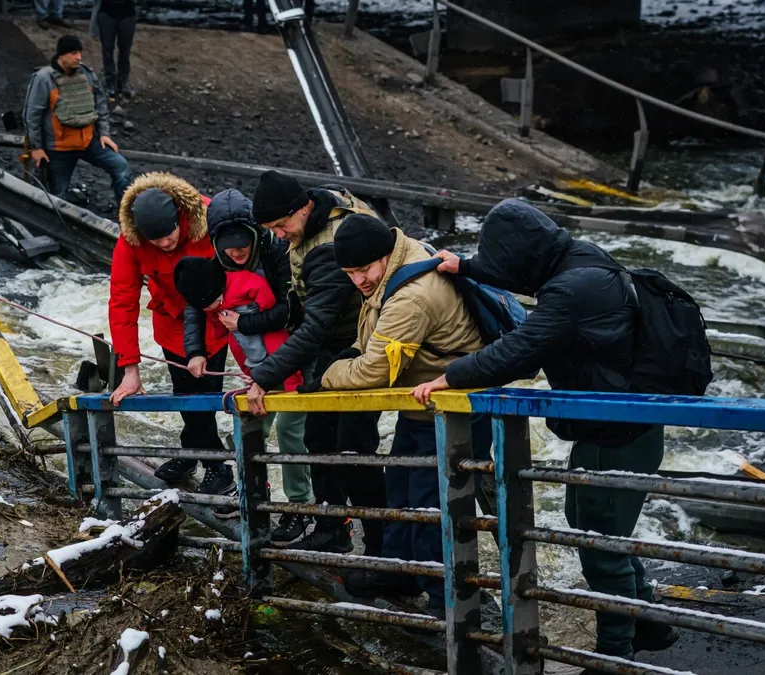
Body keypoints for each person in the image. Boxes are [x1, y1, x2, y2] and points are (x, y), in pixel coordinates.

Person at [412, 199, 680, 668]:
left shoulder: (572, 289)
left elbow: (521, 350)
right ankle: (650, 622)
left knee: (601, 552)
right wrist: (469, 267)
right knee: (596, 532)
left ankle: (616, 656)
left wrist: (449, 377)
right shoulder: (582, 257)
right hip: (618, 423)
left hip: (617, 431)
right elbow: (526, 277)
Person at [315, 213, 493, 616]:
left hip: (455, 408)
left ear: (383, 256)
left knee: (434, 502)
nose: (359, 280)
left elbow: (374, 371)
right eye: (349, 272)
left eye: (363, 269)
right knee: (400, 487)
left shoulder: (412, 295)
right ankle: (401, 572)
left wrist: (326, 375)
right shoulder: (400, 257)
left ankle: (445, 599)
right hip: (423, 401)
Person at [243, 169, 386, 555]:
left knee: (353, 448)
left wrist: (264, 377)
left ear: (303, 207)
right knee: (320, 437)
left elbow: (318, 326)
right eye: (270, 227)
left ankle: (382, 543)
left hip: (361, 347)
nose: (278, 234)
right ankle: (332, 525)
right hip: (342, 343)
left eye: (280, 224)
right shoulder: (321, 211)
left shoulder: (329, 247)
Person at [179, 189, 314, 543]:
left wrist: (244, 324)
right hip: (255, 366)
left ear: (257, 235)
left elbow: (290, 310)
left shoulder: (278, 253)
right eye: (228, 247)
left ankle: (300, 506)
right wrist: (196, 352)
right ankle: (252, 491)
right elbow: (196, 306)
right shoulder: (215, 265)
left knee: (290, 431)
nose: (236, 252)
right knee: (249, 424)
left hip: (297, 359)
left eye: (243, 244)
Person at [108, 173, 234, 499]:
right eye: (157, 241)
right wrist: (130, 369)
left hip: (215, 315)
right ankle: (197, 456)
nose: (166, 244)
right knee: (183, 392)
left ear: (180, 215)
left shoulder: (208, 218)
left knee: (204, 395)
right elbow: (122, 300)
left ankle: (216, 467)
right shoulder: (130, 240)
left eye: (169, 235)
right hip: (171, 320)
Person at [24, 34, 132, 204]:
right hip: (59, 149)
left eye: (80, 53)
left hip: (88, 143)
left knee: (121, 167)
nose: (79, 57)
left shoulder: (87, 75)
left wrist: (104, 134)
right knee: (57, 198)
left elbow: (101, 105)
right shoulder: (44, 78)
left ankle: (125, 217)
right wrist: (36, 148)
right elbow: (32, 115)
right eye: (74, 53)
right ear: (62, 55)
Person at [89, 0, 135, 98]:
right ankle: (110, 82)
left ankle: (123, 82)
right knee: (107, 50)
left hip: (127, 13)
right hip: (107, 12)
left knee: (125, 51)